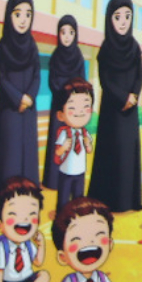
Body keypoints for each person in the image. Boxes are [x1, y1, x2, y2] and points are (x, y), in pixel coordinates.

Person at [86, 0, 142, 212]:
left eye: (127, 16)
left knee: (128, 154)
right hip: (113, 110)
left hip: (130, 112)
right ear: (109, 19)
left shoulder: (134, 47)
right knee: (112, 153)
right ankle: (109, 200)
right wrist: (123, 98)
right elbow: (106, 80)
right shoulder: (106, 49)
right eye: (117, 17)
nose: (123, 22)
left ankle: (129, 201)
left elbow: (139, 75)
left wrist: (134, 95)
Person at [0, 0, 40, 218]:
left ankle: (29, 203)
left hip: (28, 111)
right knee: (9, 156)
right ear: (9, 15)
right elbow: (1, 78)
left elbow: (37, 75)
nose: (23, 20)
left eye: (28, 14)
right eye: (18, 14)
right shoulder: (3, 46)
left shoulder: (32, 45)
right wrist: (18, 98)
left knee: (27, 156)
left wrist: (30, 97)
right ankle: (4, 205)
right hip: (10, 110)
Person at [41, 14, 86, 184]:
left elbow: (82, 82)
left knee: (74, 141)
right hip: (59, 108)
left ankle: (72, 179)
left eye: (71, 32)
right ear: (58, 34)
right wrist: (65, 99)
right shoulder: (55, 56)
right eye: (63, 32)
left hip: (75, 108)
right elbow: (52, 82)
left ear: (76, 34)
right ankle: (53, 180)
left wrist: (75, 101)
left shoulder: (78, 57)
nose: (67, 36)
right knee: (58, 141)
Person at [48, 80, 93, 211]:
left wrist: (88, 144)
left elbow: (89, 150)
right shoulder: (64, 133)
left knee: (79, 198)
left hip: (80, 171)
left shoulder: (84, 133)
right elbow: (57, 152)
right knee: (63, 197)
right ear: (61, 115)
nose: (80, 112)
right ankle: (61, 215)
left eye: (86, 107)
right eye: (72, 108)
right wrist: (63, 147)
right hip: (66, 171)